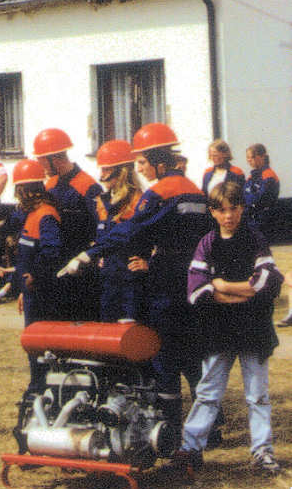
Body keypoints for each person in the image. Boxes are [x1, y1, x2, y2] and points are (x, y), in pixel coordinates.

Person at [60, 123, 210, 440]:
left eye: (142, 161)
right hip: (193, 281)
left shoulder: (159, 193)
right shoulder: (196, 190)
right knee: (193, 357)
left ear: (159, 161)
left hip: (164, 286)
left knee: (164, 359)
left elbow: (130, 231)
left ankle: (170, 428)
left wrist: (87, 255)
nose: (139, 167)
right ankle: (212, 425)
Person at [166, 181, 282, 476]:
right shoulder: (207, 243)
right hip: (219, 329)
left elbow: (267, 282)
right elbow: (198, 289)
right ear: (212, 212)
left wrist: (224, 286)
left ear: (242, 208)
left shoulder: (255, 239)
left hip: (254, 328)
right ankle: (190, 448)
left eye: (234, 208)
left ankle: (263, 452)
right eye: (221, 210)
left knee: (257, 394)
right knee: (208, 392)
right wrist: (243, 290)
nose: (228, 215)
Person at [34, 128, 102, 321]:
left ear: (54, 159)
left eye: (41, 160)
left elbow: (101, 229)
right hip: (56, 265)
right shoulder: (50, 185)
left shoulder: (88, 187)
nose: (39, 164)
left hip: (80, 269)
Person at [11, 159, 64, 391]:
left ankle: (43, 388)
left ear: (26, 190)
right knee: (33, 343)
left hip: (43, 294)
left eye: (18, 191)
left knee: (42, 344)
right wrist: (23, 290)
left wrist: (35, 277)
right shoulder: (32, 215)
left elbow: (52, 251)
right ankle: (37, 385)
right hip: (31, 292)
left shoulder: (46, 215)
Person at [91, 140, 145, 322]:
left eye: (106, 170)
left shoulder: (138, 201)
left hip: (130, 279)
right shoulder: (102, 201)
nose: (102, 175)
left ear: (121, 171)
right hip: (108, 277)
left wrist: (147, 261)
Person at [243, 143, 279, 238]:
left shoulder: (268, 175)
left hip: (264, 220)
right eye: (248, 158)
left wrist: (250, 198)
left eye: (252, 157)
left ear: (262, 157)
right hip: (251, 218)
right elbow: (245, 195)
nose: (249, 160)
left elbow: (262, 198)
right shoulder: (251, 176)